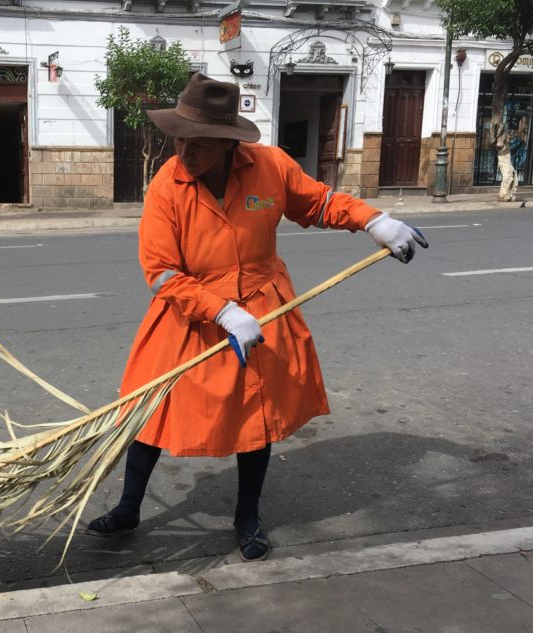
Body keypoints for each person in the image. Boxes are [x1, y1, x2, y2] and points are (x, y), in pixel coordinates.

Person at [87, 73, 427, 561]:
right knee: (150, 410)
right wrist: (220, 310)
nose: (186, 153)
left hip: (263, 307)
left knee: (256, 416)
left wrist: (373, 221)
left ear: (228, 143)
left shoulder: (270, 167)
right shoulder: (167, 184)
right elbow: (161, 272)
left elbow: (319, 202)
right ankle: (128, 507)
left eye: (200, 143)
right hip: (191, 309)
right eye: (179, 139)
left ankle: (247, 516)